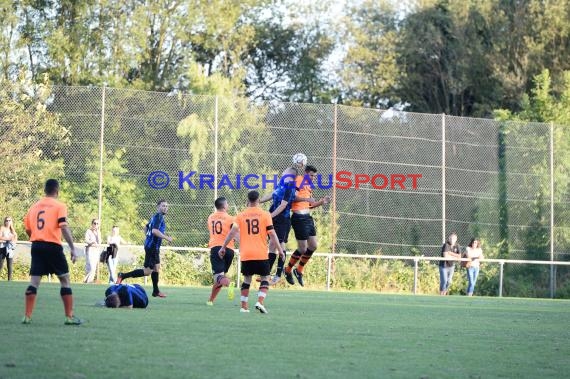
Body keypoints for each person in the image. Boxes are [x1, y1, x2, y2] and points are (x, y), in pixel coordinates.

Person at [22, 179, 82, 325]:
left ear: (45, 190)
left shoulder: (34, 206)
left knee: (34, 282)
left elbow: (28, 228)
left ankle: (27, 316)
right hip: (53, 246)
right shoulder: (59, 206)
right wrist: (73, 248)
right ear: (57, 191)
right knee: (65, 280)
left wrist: (36, 238)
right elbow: (63, 226)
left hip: (36, 245)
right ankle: (69, 317)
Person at [220, 190, 284, 314]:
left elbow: (232, 232)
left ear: (248, 200)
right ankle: (260, 302)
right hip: (260, 253)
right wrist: (280, 250)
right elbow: (272, 234)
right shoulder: (266, 215)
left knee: (247, 280)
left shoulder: (240, 216)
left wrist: (223, 247)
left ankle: (244, 306)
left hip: (246, 254)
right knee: (265, 278)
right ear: (258, 200)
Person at [259, 153, 306, 284]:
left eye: (286, 173)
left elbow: (283, 205)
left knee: (277, 245)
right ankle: (268, 275)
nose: (283, 174)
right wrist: (258, 201)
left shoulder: (290, 188)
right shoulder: (281, 184)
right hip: (274, 218)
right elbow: (271, 195)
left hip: (281, 220)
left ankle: (276, 275)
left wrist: (269, 216)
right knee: (273, 246)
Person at [284, 165, 330, 286]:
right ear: (305, 173)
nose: (313, 178)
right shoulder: (299, 179)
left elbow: (310, 205)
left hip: (307, 217)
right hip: (298, 217)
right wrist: (306, 200)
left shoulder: (309, 185)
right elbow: (292, 198)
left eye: (314, 176)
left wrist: (321, 202)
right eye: (311, 175)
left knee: (313, 246)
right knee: (303, 248)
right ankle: (287, 270)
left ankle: (299, 270)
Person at [117, 200, 172, 298]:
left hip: (153, 247)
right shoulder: (159, 217)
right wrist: (166, 237)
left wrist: (148, 238)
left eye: (167, 206)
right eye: (163, 206)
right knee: (147, 271)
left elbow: (146, 227)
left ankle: (156, 291)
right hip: (152, 248)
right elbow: (154, 231)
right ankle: (123, 275)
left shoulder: (155, 217)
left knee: (157, 268)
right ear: (158, 207)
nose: (165, 208)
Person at [206, 197, 236, 305]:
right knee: (220, 277)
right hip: (230, 249)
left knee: (218, 277)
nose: (228, 205)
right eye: (227, 203)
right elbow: (235, 233)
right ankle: (210, 301)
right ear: (224, 206)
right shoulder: (231, 218)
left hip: (216, 248)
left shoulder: (210, 217)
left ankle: (229, 284)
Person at [83, 218, 101, 283]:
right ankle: (87, 280)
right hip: (90, 250)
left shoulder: (98, 232)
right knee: (90, 267)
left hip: (96, 251)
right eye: (94, 223)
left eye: (97, 223)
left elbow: (99, 242)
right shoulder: (88, 231)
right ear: (92, 224)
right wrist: (92, 242)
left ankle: (87, 281)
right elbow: (86, 240)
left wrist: (98, 233)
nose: (96, 225)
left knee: (94, 267)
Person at [0, 217, 17, 281]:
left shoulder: (12, 230)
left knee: (10, 265)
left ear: (11, 221)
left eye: (9, 220)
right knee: (0, 265)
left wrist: (13, 241)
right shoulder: (2, 228)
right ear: (5, 221)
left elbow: (15, 238)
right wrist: (8, 239)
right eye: (6, 220)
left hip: (10, 249)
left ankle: (9, 280)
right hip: (2, 248)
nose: (8, 222)